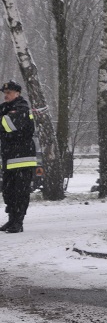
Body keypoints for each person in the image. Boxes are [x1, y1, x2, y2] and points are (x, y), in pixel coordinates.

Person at [0, 80, 36, 234]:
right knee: (8, 191)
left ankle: (18, 222)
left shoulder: (22, 108)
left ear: (17, 93)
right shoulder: (5, 109)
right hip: (8, 158)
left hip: (22, 158)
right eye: (5, 93)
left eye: (9, 93)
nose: (6, 95)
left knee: (20, 192)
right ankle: (11, 219)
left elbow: (9, 125)